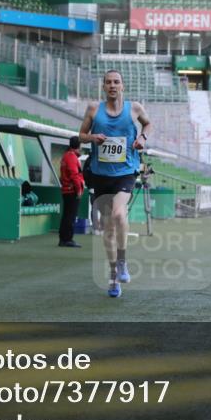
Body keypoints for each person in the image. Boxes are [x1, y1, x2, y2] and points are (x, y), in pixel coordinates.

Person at [79, 70, 152, 298]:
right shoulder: (94, 109)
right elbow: (81, 135)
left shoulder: (134, 108)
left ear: (123, 86)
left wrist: (142, 138)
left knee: (119, 214)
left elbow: (148, 124)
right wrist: (92, 138)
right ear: (103, 87)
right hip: (100, 175)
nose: (112, 85)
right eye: (109, 82)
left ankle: (122, 261)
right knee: (108, 228)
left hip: (126, 172)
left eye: (116, 82)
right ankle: (113, 276)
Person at [58, 136, 84, 248]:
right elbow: (74, 175)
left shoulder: (66, 156)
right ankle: (67, 239)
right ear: (79, 145)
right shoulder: (72, 157)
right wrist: (79, 190)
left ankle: (63, 239)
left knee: (67, 215)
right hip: (71, 190)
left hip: (67, 190)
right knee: (70, 216)